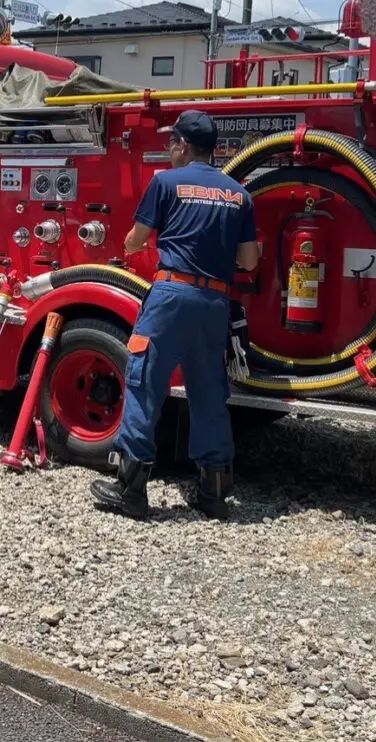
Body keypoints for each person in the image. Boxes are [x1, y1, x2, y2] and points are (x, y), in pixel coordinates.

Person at [90, 110, 260, 522]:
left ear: (183, 146)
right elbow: (250, 261)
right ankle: (214, 492)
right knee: (208, 393)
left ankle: (130, 489)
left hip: (170, 297)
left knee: (144, 380)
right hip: (214, 304)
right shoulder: (240, 194)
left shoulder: (164, 182)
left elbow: (135, 240)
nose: (168, 149)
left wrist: (129, 246)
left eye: (171, 143)